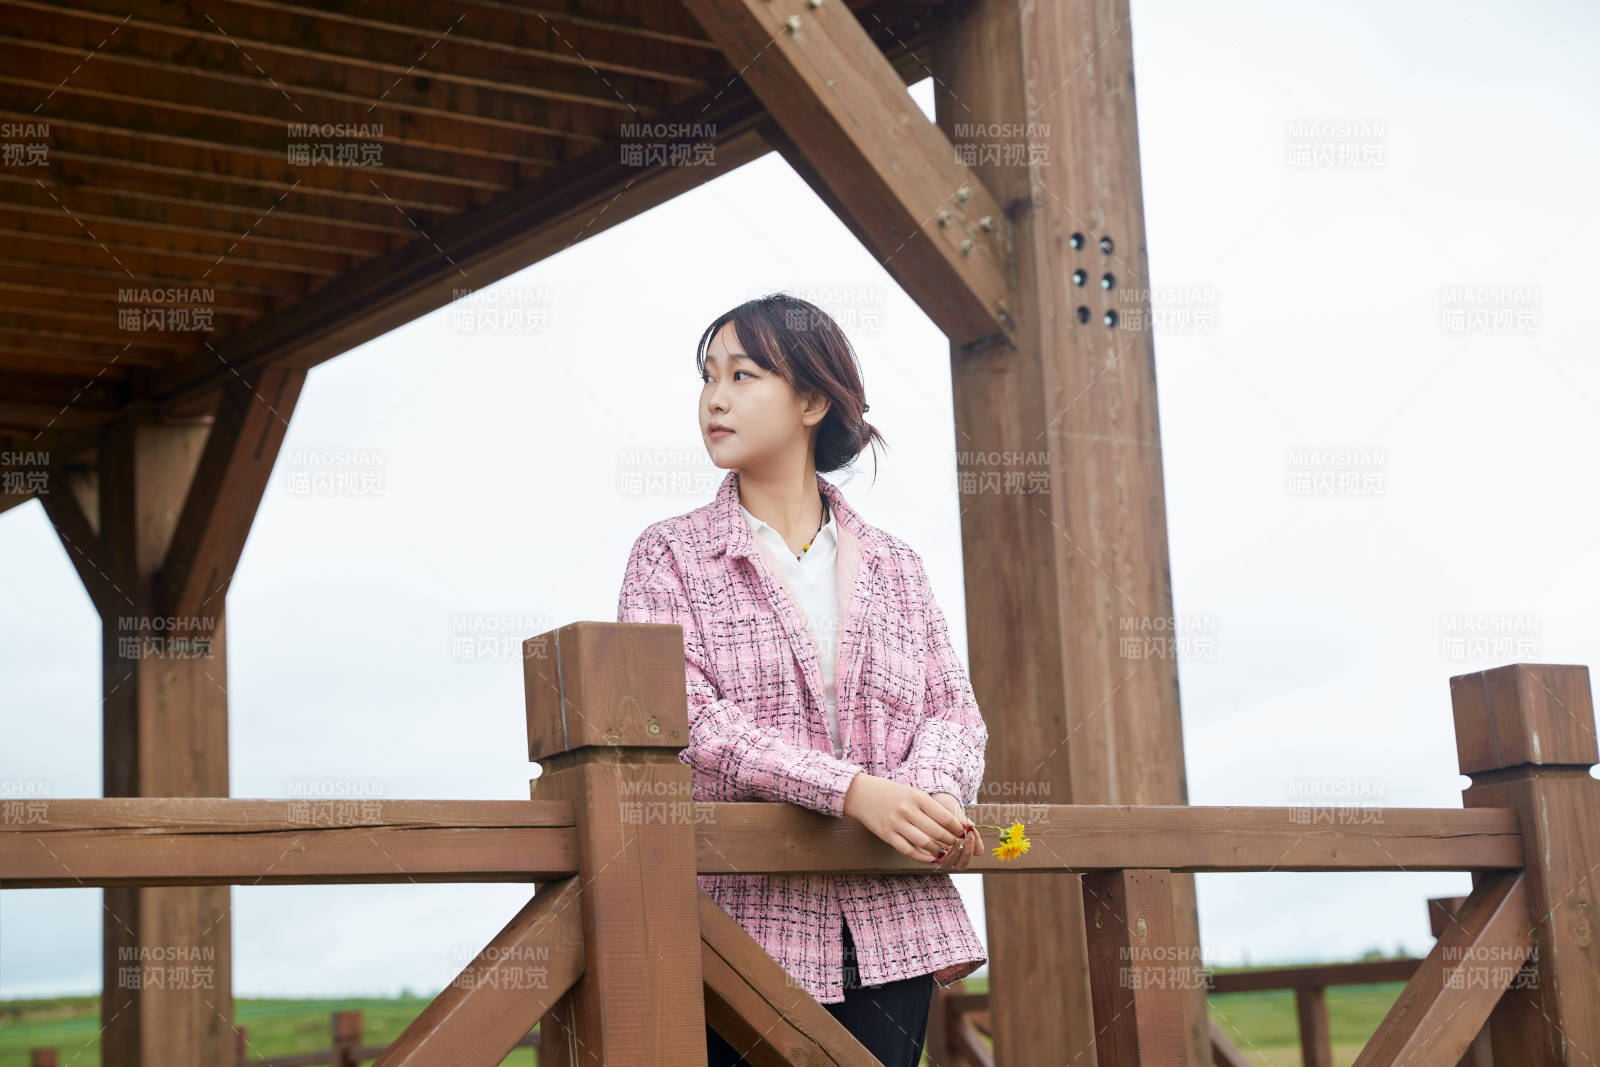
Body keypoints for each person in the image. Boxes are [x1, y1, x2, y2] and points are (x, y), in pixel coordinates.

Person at [616, 292, 988, 1067]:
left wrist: (936, 796)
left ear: (813, 399)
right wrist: (854, 789)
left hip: (891, 925)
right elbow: (689, 719)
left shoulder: (897, 565)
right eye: (708, 376)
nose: (715, 398)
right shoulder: (670, 555)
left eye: (744, 374)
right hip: (738, 925)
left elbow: (953, 710)